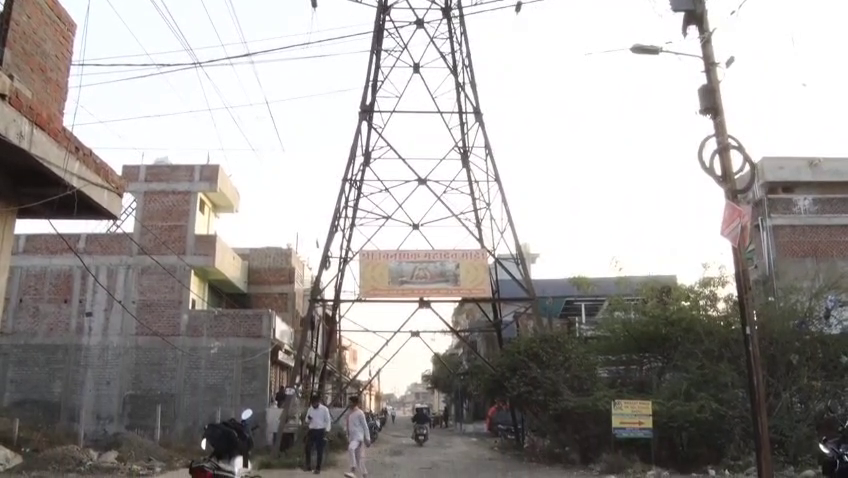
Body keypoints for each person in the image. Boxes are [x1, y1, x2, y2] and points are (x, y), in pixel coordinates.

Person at [304, 394, 332, 474]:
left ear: (318, 402)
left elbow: (328, 421)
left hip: (321, 431)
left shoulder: (324, 409)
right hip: (312, 430)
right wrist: (308, 419)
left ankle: (318, 468)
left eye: (315, 403)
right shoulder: (310, 409)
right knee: (307, 447)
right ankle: (308, 465)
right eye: (312, 403)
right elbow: (306, 420)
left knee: (319, 450)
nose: (313, 405)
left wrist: (327, 430)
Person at [345, 396, 370, 478]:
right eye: (349, 402)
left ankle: (353, 469)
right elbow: (348, 426)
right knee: (359, 460)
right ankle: (365, 475)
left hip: (358, 437)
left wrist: (368, 438)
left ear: (355, 403)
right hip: (352, 438)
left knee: (351, 448)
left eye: (350, 402)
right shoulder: (349, 413)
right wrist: (347, 436)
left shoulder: (360, 413)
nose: (349, 404)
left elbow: (365, 426)